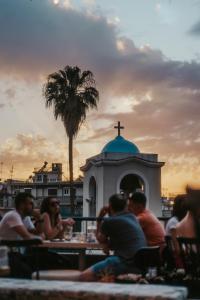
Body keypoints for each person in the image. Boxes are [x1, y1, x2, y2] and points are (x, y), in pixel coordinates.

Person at [70, 194, 147, 282]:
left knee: (84, 276)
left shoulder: (109, 221)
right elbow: (121, 239)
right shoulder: (133, 217)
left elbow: (100, 239)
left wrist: (99, 219)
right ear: (125, 206)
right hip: (140, 264)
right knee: (104, 279)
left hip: (125, 262)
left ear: (110, 206)